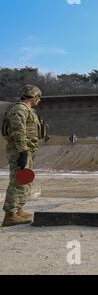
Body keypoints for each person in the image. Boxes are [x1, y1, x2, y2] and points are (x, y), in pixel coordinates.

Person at [2, 85, 45, 227]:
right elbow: (17, 131)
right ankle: (10, 215)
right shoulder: (19, 109)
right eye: (38, 97)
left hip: (25, 149)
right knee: (18, 181)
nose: (39, 100)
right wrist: (23, 151)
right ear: (33, 96)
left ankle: (18, 210)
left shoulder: (27, 110)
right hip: (19, 150)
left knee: (25, 181)